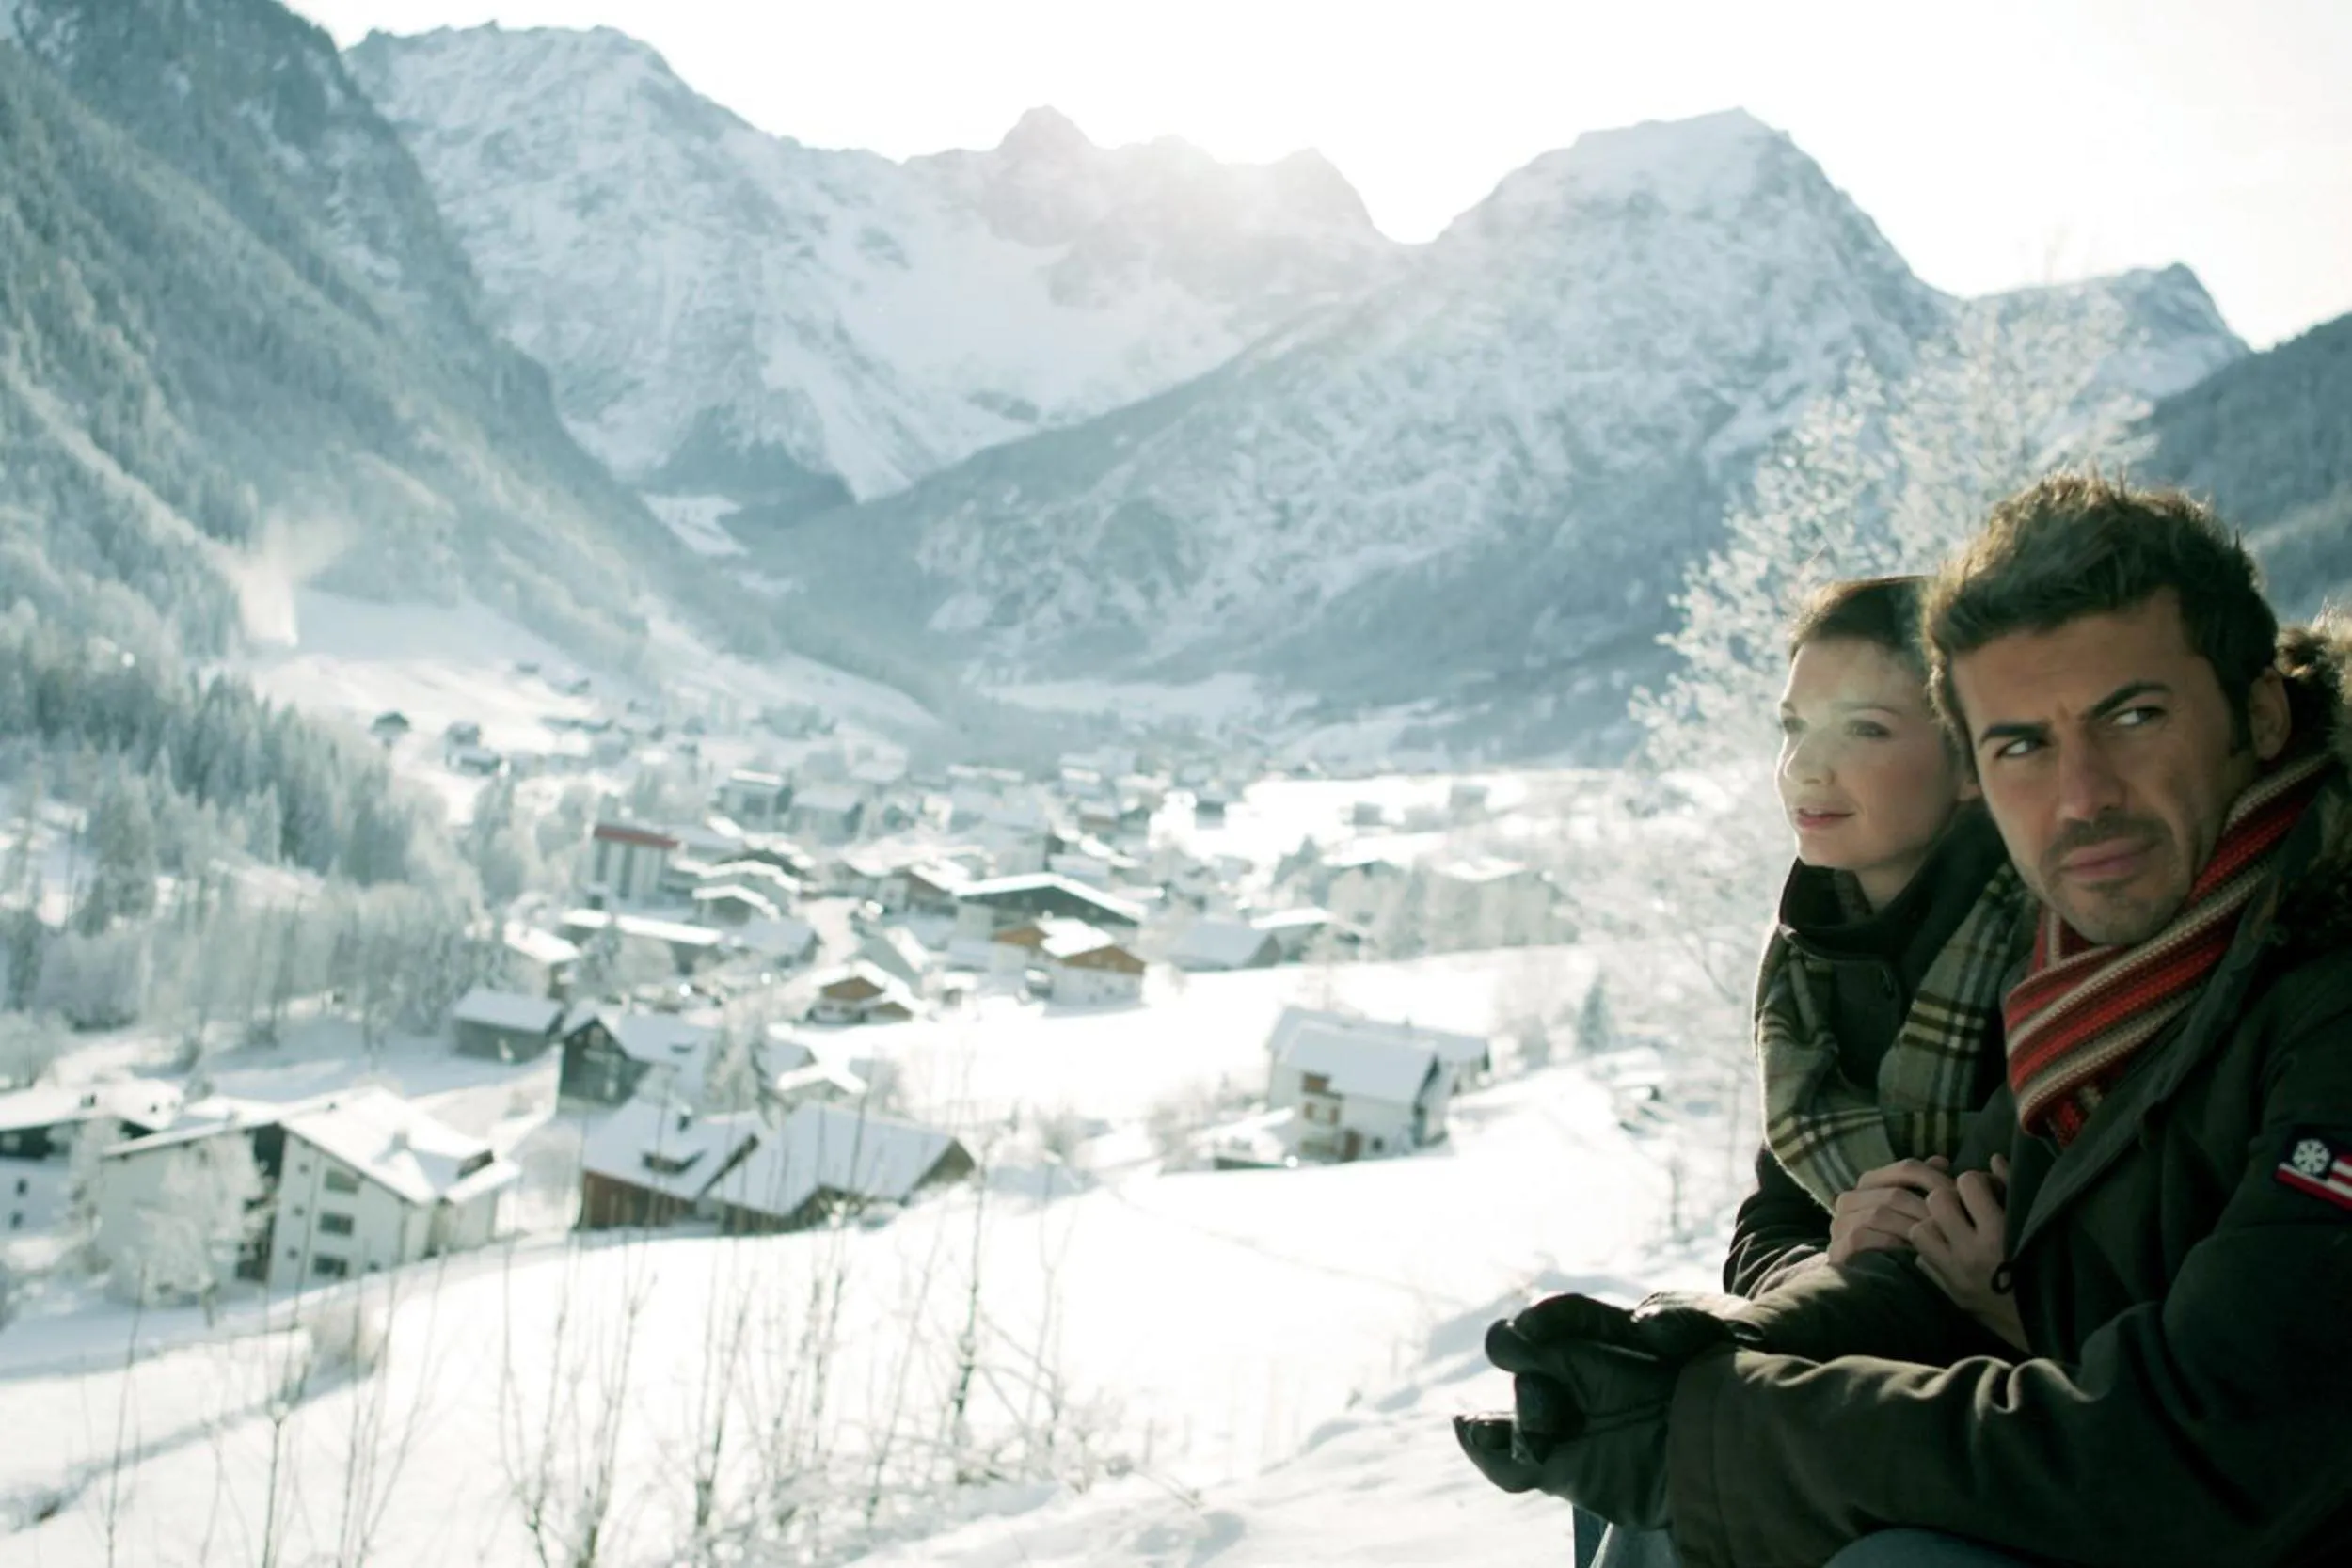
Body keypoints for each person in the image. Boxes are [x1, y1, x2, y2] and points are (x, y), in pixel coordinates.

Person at [1461, 473, 2352, 1566]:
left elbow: (2217, 1433)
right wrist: (1708, 1347)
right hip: (2128, 1463)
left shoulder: (2307, 975)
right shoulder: (2101, 966)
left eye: (2133, 714)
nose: (2080, 795)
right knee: (1670, 1482)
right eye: (2021, 742)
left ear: (2257, 714)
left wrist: (1719, 1427)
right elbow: (1921, 1256)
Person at [1576, 577, 2031, 1568]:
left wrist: (1858, 1270)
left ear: (1968, 761)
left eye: (1863, 729)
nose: (1806, 767)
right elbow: (1770, 1221)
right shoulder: (1809, 966)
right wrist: (1827, 1254)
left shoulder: (2038, 948)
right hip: (1865, 1345)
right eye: (1793, 726)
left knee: (1670, 1466)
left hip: (2001, 1405)